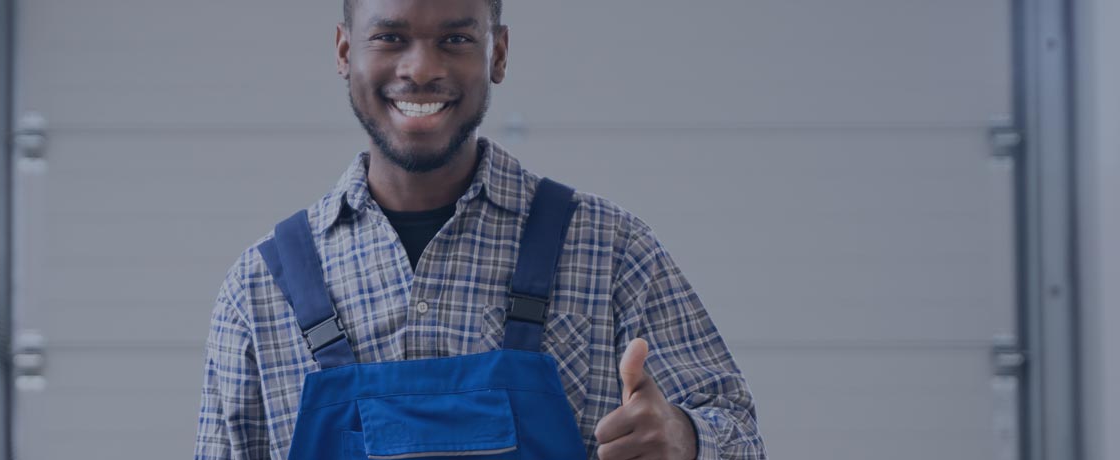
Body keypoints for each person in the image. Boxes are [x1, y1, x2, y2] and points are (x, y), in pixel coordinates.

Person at [195, 1, 764, 458]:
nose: (421, 69)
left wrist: (688, 439)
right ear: (346, 51)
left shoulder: (611, 251)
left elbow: (742, 436)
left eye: (455, 38)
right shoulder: (260, 289)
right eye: (390, 37)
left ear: (499, 53)